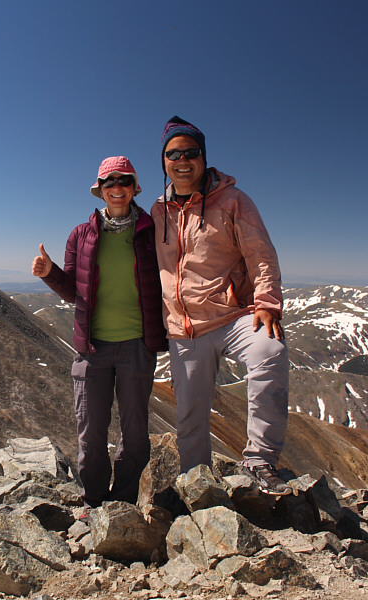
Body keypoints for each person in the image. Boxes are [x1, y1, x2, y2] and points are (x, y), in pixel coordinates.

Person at [151, 117, 291, 495]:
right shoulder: (158, 211)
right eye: (173, 154)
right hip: (185, 328)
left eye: (190, 152)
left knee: (270, 351)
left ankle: (260, 462)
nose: (182, 160)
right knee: (190, 417)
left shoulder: (233, 201)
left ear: (204, 156)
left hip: (233, 316)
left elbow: (261, 255)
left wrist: (268, 304)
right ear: (163, 161)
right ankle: (196, 484)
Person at [32, 156, 167, 508]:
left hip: (137, 345)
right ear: (100, 190)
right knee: (90, 430)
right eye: (109, 182)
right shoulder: (81, 235)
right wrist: (50, 273)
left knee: (135, 432)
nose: (117, 188)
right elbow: (73, 291)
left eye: (124, 181)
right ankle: (93, 500)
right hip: (92, 348)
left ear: (134, 188)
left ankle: (123, 503)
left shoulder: (151, 230)